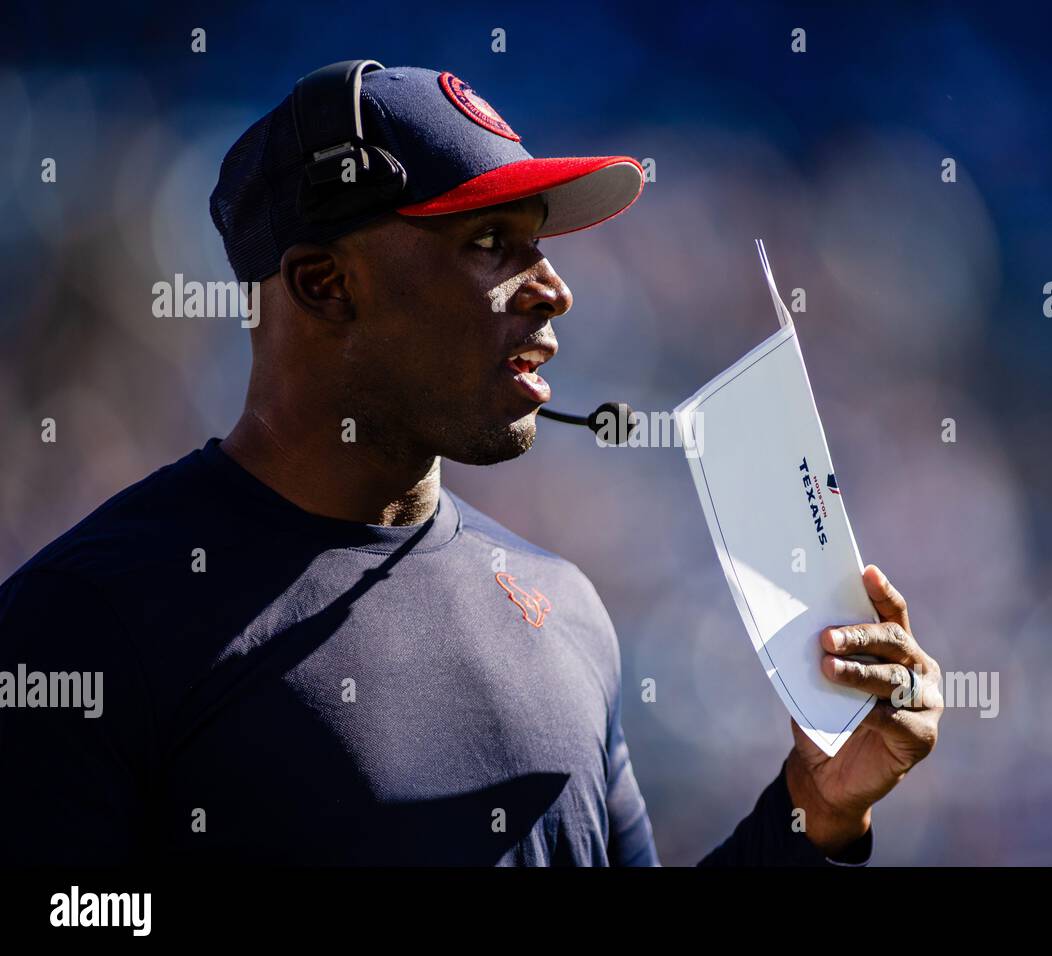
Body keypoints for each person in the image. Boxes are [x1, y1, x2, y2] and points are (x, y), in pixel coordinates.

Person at [0, 62, 942, 865]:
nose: (556, 290)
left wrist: (813, 814)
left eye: (538, 243)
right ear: (325, 287)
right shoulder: (84, 621)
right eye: (491, 244)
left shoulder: (564, 609)